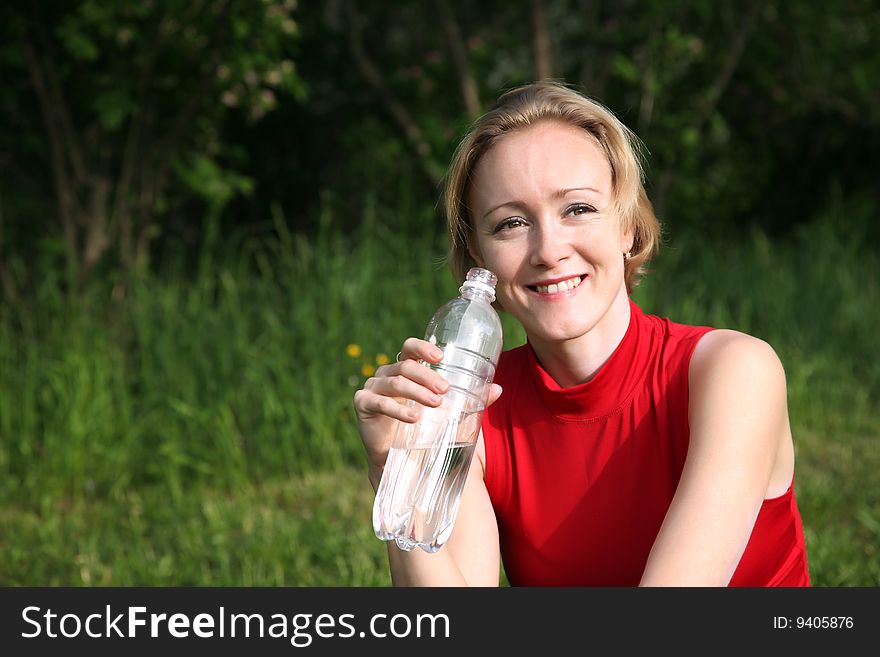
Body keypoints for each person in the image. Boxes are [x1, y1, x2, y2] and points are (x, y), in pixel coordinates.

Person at [353, 80, 810, 586]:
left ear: (629, 226)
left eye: (578, 209)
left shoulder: (733, 371)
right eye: (510, 223)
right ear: (479, 252)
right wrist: (397, 474)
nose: (548, 249)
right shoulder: (474, 410)